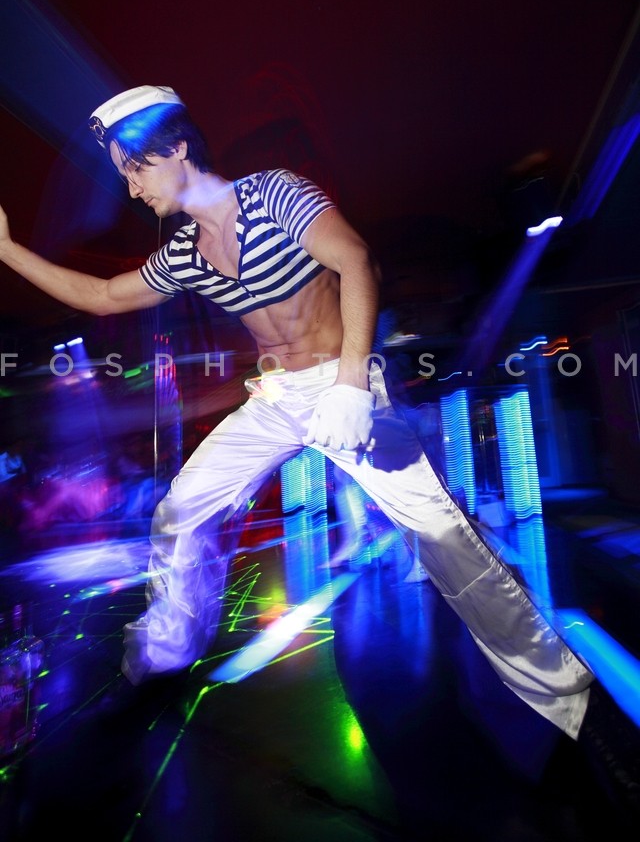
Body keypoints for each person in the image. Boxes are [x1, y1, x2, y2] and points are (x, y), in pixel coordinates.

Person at [0, 85, 629, 764]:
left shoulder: (272, 193)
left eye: (136, 168)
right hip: (276, 397)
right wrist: (6, 250)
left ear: (177, 147)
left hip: (345, 380)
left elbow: (356, 259)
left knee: (446, 540)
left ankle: (573, 701)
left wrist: (353, 382)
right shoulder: (184, 252)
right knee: (182, 509)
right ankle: (161, 658)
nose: (130, 188)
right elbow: (101, 295)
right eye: (124, 174)